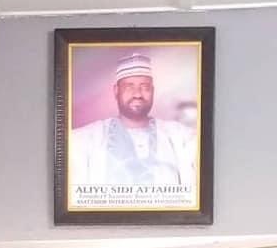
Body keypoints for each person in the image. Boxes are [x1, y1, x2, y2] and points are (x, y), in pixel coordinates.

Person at [69, 53, 196, 187]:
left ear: (152, 91)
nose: (137, 94)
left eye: (145, 87)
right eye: (129, 87)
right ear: (116, 91)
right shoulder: (84, 139)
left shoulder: (181, 137)